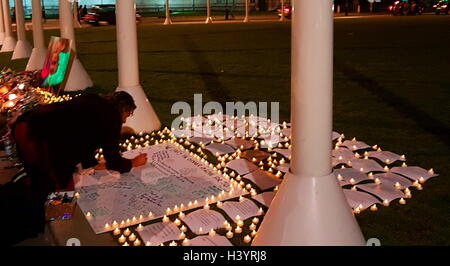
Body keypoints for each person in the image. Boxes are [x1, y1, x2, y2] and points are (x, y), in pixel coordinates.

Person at [0, 91, 147, 245]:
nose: (124, 121)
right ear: (123, 109)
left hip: (25, 126)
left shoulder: (93, 101)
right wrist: (133, 163)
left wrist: (95, 165)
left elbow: (80, 135)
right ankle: (51, 225)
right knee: (61, 188)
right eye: (127, 115)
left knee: (40, 178)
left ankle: (25, 212)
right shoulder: (111, 116)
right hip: (39, 139)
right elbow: (113, 159)